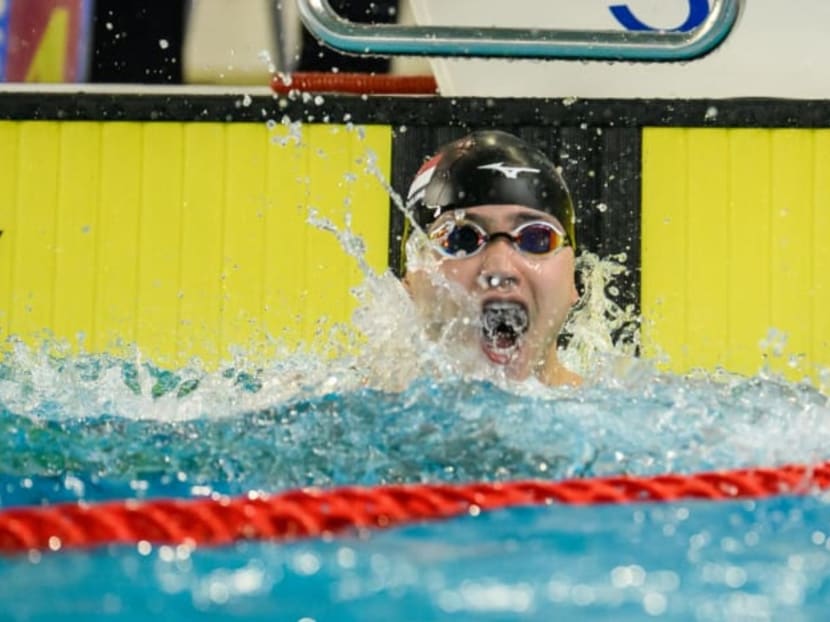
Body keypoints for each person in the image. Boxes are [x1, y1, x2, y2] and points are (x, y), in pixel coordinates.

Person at [401, 130, 582, 387]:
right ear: (409, 280)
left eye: (536, 239)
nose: (500, 270)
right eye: (460, 238)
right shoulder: (356, 415)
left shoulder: (629, 414)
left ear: (573, 281)